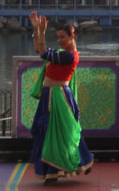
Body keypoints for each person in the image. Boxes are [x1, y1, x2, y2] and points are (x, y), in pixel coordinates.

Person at [28, 12, 94, 181]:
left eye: (63, 37)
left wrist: (42, 33)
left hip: (59, 97)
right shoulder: (61, 52)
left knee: (60, 133)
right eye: (57, 37)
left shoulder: (69, 56)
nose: (60, 40)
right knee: (50, 132)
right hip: (50, 96)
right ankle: (55, 170)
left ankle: (69, 166)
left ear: (73, 36)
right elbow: (39, 49)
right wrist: (36, 30)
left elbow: (44, 54)